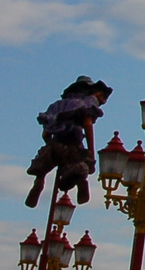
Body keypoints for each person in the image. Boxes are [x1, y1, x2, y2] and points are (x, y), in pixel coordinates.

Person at [25, 76, 113, 207]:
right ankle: (81, 181)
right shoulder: (88, 102)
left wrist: (52, 144)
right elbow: (88, 125)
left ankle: (39, 180)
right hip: (74, 141)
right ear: (96, 92)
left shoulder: (58, 105)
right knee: (82, 164)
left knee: (44, 165)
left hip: (56, 141)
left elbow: (45, 134)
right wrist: (91, 152)